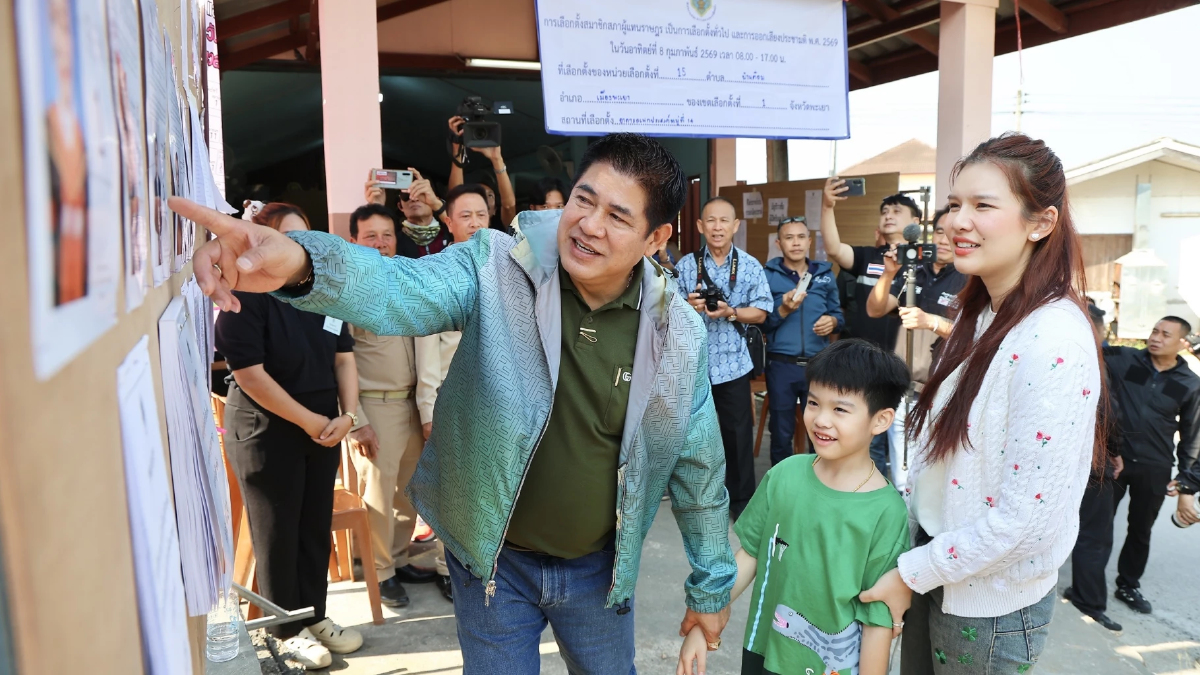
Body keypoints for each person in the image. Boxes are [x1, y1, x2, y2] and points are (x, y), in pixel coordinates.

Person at [175, 133, 738, 674]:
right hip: (493, 565)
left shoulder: (678, 336)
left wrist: (712, 584)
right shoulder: (497, 266)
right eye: (582, 201)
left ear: (656, 238)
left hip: (600, 573)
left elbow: (699, 468)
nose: (588, 225)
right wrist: (302, 262)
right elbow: (396, 289)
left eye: (618, 216)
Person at [857, 133, 1104, 674]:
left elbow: (1024, 521)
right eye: (955, 206)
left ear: (1041, 223)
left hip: (986, 607)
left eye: (983, 206)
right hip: (942, 573)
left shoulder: (1051, 339)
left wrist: (911, 572)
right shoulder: (986, 312)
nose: (957, 222)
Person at [678, 339, 910, 675]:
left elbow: (878, 620)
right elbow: (750, 555)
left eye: (840, 409)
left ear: (881, 420)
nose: (820, 420)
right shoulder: (785, 475)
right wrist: (704, 623)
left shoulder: (887, 512)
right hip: (764, 652)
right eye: (814, 402)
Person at [215, 202, 364, 670]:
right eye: (288, 238)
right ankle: (283, 629)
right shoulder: (246, 294)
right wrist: (311, 420)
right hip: (267, 430)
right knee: (278, 531)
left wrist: (349, 414)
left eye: (305, 238)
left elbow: (344, 358)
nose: (299, 248)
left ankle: (313, 614)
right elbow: (251, 375)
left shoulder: (319, 292)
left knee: (313, 524)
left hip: (322, 427)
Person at [343, 203, 445, 608]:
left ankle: (399, 558)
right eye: (371, 236)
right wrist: (356, 421)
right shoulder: (346, 292)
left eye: (386, 235)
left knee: (406, 492)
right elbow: (339, 361)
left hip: (411, 404)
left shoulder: (405, 281)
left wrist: (427, 409)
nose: (381, 243)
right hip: (375, 407)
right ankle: (379, 571)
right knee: (378, 495)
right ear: (355, 240)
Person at [411, 183, 493, 601]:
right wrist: (428, 413)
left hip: (496, 404)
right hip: (451, 404)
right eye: (466, 216)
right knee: (456, 490)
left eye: (481, 214)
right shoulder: (439, 273)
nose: (476, 223)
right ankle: (449, 567)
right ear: (449, 222)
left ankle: (490, 562)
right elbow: (427, 357)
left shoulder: (503, 271)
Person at [1085, 316, 1198, 615]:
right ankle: (1087, 588)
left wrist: (1188, 481)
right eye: (1154, 331)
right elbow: (1087, 350)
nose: (1156, 338)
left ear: (1181, 343)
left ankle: (1128, 585)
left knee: (1140, 529)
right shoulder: (1125, 358)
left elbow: (1191, 435)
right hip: (1114, 458)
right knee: (1098, 526)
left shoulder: (1189, 384)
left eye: (1165, 334)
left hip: (1155, 465)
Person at [675, 197, 774, 519]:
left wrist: (732, 312)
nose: (717, 227)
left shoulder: (748, 265)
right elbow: (666, 311)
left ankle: (741, 500)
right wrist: (687, 307)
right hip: (694, 364)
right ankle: (694, 497)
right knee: (691, 434)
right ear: (700, 226)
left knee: (737, 435)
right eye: (711, 221)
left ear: (735, 226)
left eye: (724, 221)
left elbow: (761, 312)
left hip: (733, 363)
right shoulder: (687, 266)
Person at [821, 182, 922, 477]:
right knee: (867, 443)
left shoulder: (922, 266)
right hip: (860, 367)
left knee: (902, 452)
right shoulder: (868, 257)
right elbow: (834, 248)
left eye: (897, 211)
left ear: (915, 223)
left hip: (899, 370)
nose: (889, 215)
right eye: (885, 211)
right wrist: (827, 206)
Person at [866, 208, 967, 488]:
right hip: (903, 388)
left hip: (944, 391)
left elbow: (977, 335)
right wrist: (888, 275)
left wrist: (931, 321)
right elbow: (875, 309)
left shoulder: (970, 278)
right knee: (902, 476)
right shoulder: (915, 271)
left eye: (952, 233)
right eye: (939, 232)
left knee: (935, 477)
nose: (945, 239)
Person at [1062, 305, 1125, 632]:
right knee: (1094, 536)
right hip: (1090, 461)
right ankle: (1088, 599)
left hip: (1051, 459)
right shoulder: (1093, 362)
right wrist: (1114, 451)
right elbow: (1107, 414)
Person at [761, 216, 842, 465]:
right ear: (778, 243)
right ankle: (782, 488)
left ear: (809, 241)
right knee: (781, 431)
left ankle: (818, 485)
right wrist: (783, 309)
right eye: (788, 237)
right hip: (781, 365)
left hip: (818, 365)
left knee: (821, 430)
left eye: (800, 237)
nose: (795, 243)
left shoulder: (825, 274)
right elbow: (762, 322)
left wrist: (834, 321)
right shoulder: (767, 275)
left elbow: (838, 313)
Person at [364, 169, 454, 257]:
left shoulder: (451, 232)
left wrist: (436, 204)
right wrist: (377, 208)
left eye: (421, 193)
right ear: (400, 206)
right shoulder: (394, 241)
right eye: (406, 194)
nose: (414, 198)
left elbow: (466, 240)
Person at [447, 116, 517, 226]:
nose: (484, 198)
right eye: (479, 194)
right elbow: (455, 197)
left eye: (490, 195)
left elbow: (509, 206)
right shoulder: (460, 228)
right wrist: (457, 147)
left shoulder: (501, 235)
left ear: (494, 210)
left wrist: (496, 158)